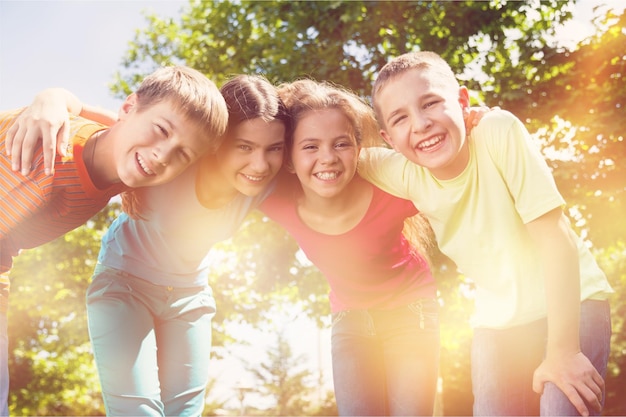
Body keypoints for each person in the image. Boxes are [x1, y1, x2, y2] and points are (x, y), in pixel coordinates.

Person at [7, 74, 291, 416]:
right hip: (125, 282)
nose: (259, 164)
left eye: (272, 149)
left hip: (189, 295)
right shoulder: (168, 157)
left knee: (185, 410)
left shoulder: (251, 178)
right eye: (244, 146)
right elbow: (119, 122)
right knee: (137, 409)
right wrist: (56, 96)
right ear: (218, 145)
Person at [358, 50, 613, 417]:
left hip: (571, 302)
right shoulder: (404, 173)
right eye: (400, 118)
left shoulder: (497, 132)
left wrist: (563, 352)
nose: (420, 124)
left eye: (431, 103)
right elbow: (331, 152)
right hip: (498, 322)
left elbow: (556, 239)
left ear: (462, 101)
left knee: (562, 408)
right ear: (388, 138)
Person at [259, 78, 440, 415]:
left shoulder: (392, 192)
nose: (327, 158)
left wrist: (477, 124)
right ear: (289, 158)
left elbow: (448, 171)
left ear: (359, 149)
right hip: (350, 318)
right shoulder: (278, 200)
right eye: (310, 147)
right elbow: (220, 166)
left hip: (411, 310)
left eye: (340, 144)